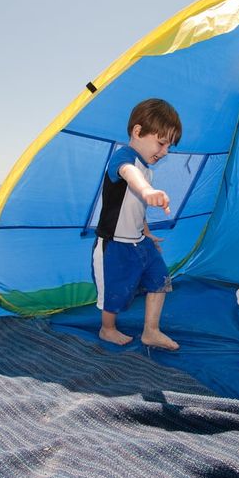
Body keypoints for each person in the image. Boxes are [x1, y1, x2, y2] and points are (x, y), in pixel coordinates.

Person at [92, 98, 182, 350]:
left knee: (159, 278)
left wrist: (147, 232)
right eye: (161, 143)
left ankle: (151, 331)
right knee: (114, 291)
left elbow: (135, 206)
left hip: (139, 241)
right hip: (115, 243)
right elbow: (129, 176)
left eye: (169, 146)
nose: (164, 151)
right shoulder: (124, 158)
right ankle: (107, 328)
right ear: (138, 131)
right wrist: (147, 190)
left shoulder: (147, 168)